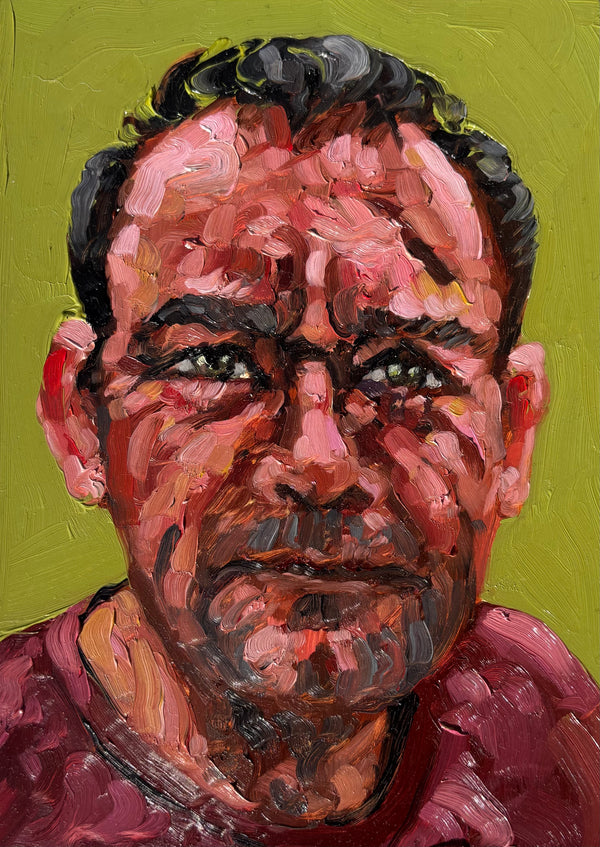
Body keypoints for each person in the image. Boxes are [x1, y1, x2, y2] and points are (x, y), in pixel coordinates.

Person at [0, 35, 598, 847]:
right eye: (215, 361)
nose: (319, 460)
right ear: (80, 418)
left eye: (406, 372)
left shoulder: (544, 728)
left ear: (513, 433)